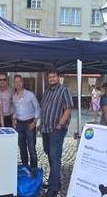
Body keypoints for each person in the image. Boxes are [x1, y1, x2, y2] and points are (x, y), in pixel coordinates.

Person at [41, 69, 73, 197]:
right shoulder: (47, 91)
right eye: (50, 77)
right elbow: (44, 107)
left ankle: (53, 189)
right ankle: (56, 182)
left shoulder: (64, 90)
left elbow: (68, 108)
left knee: (55, 158)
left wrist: (60, 123)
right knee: (50, 156)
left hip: (56, 130)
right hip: (46, 129)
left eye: (54, 77)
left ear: (58, 78)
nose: (52, 79)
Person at [12, 74, 40, 172]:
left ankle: (34, 171)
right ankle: (25, 170)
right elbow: (15, 110)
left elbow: (37, 108)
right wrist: (14, 119)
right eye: (16, 82)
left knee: (32, 149)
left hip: (29, 124)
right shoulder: (14, 96)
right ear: (14, 84)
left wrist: (35, 122)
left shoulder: (30, 94)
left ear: (22, 82)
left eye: (19, 81)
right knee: (22, 148)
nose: (18, 83)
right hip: (19, 125)